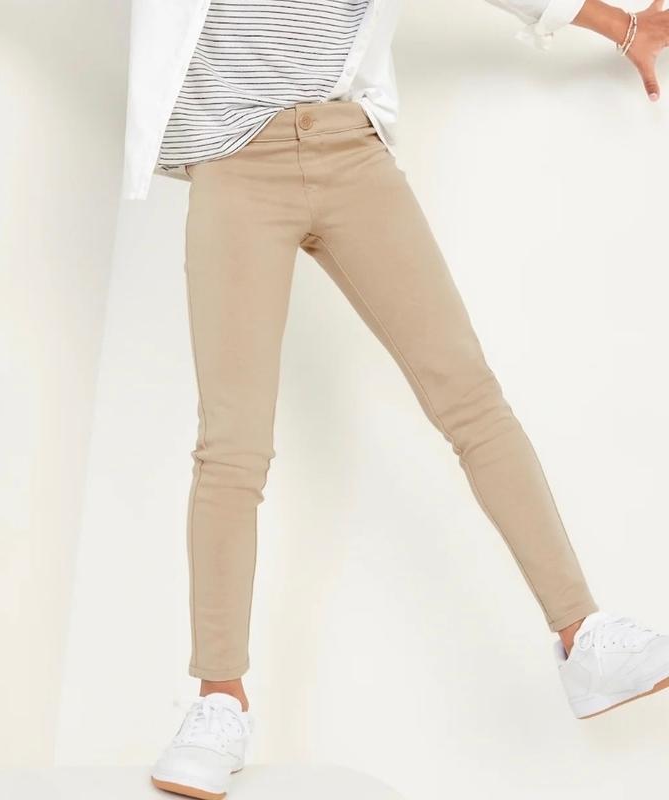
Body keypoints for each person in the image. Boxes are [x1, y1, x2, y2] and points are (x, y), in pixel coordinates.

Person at [123, 2, 669, 798]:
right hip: (234, 164)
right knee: (233, 445)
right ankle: (219, 700)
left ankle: (586, 638)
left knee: (470, 398)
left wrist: (620, 26)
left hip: (351, 151)